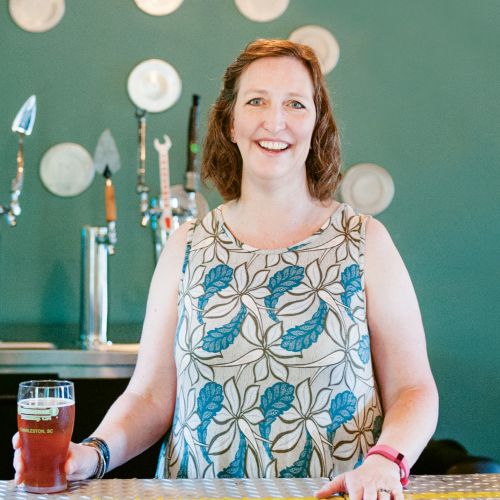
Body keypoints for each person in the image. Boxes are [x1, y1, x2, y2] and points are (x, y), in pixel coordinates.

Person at [13, 39, 438, 499]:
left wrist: (386, 460)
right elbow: (149, 397)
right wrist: (91, 454)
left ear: (317, 125)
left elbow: (414, 389)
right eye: (256, 101)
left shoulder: (364, 240)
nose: (275, 121)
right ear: (230, 123)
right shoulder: (187, 245)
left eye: (295, 104)